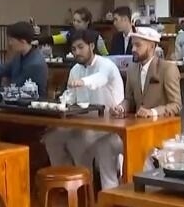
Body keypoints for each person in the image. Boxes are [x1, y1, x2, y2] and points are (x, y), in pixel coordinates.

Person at [42, 29, 125, 189]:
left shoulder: (106, 65)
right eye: (73, 49)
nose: (77, 52)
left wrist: (83, 82)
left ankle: (85, 187)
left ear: (92, 46)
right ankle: (65, 183)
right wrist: (59, 101)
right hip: (83, 122)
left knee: (78, 141)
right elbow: (71, 97)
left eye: (81, 47)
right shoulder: (75, 69)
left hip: (109, 123)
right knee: (52, 138)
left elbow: (100, 78)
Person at [112, 27, 181, 118]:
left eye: (138, 45)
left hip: (161, 124)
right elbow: (129, 100)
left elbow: (176, 105)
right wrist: (121, 107)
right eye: (132, 45)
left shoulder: (167, 69)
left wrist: (153, 112)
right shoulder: (132, 69)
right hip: (138, 124)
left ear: (152, 46)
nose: (133, 49)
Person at [0, 21, 48, 102]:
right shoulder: (19, 56)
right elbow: (0, 70)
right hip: (15, 100)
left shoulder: (35, 64)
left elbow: (15, 91)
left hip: (29, 104)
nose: (10, 43)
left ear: (23, 41)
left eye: (11, 40)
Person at [44, 7, 109, 56]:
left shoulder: (96, 36)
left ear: (87, 22)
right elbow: (53, 39)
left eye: (78, 21)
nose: (75, 23)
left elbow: (105, 55)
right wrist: (39, 41)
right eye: (74, 20)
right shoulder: (70, 34)